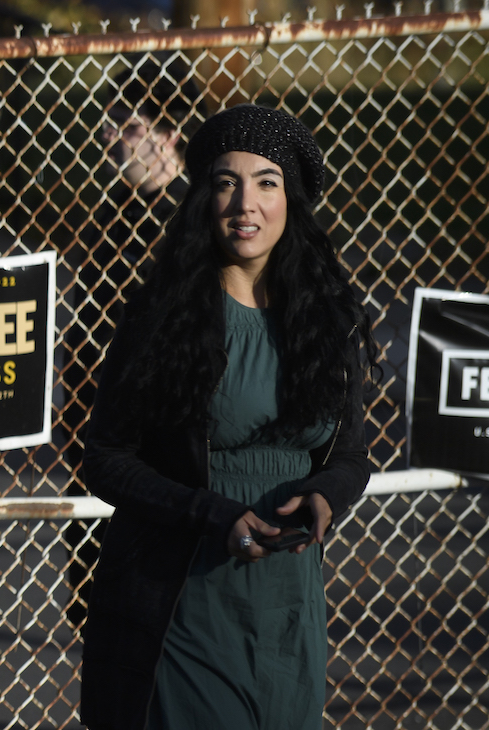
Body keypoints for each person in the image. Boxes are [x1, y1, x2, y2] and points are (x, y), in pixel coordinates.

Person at [79, 104, 379, 729]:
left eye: (266, 182)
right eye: (225, 183)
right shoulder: (162, 316)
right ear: (202, 199)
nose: (245, 204)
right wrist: (211, 513)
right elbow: (105, 458)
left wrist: (325, 495)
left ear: (291, 198)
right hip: (184, 603)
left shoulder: (330, 320)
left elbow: (351, 455)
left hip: (290, 610)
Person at [61, 59, 206, 630]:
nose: (109, 135)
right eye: (109, 120)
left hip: (158, 449)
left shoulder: (196, 224)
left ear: (169, 133)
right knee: (95, 611)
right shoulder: (108, 213)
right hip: (98, 436)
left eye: (127, 124)